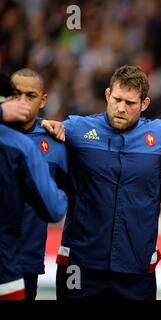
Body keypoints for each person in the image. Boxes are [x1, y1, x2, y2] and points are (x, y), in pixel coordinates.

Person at [43, 65, 161, 300]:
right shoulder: (76, 129)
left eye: (130, 103)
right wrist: (44, 126)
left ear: (144, 104)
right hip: (80, 267)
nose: (121, 108)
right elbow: (36, 133)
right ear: (107, 95)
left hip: (136, 269)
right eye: (117, 99)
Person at [7, 68, 68, 300]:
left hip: (27, 263)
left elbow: (73, 193)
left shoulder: (55, 144)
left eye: (30, 96)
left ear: (43, 100)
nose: (22, 102)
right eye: (15, 94)